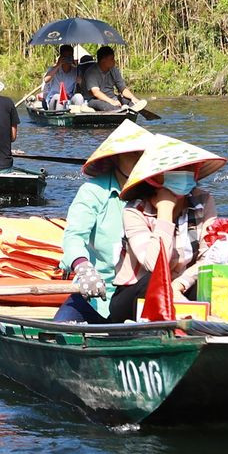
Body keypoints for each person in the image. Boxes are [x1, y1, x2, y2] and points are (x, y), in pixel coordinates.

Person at [55, 122, 162, 322]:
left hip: (141, 293)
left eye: (143, 155)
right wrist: (83, 267)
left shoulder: (158, 195)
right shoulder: (93, 192)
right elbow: (74, 236)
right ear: (116, 158)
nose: (139, 161)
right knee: (58, 330)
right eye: (133, 154)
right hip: (95, 291)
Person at [116, 137, 226, 313]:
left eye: (188, 168)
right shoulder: (135, 211)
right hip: (136, 294)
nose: (184, 173)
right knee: (153, 280)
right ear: (156, 177)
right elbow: (154, 264)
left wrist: (180, 284)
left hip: (182, 287)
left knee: (216, 278)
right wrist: (165, 211)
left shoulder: (203, 201)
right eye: (175, 169)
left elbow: (211, 256)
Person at [75, 45, 139, 113]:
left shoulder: (114, 70)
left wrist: (133, 98)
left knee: (131, 101)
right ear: (103, 60)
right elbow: (96, 93)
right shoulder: (91, 72)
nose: (114, 61)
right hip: (93, 100)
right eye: (111, 59)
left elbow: (122, 89)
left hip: (112, 98)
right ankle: (120, 110)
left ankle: (128, 109)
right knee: (106, 106)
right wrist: (112, 101)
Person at [38, 44, 82, 110]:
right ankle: (60, 117)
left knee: (79, 97)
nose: (67, 59)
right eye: (65, 57)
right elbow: (46, 80)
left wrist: (80, 82)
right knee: (59, 98)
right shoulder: (53, 69)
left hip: (69, 99)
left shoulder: (76, 71)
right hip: (54, 99)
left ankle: (78, 118)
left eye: (69, 56)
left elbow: (80, 90)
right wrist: (58, 65)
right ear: (61, 57)